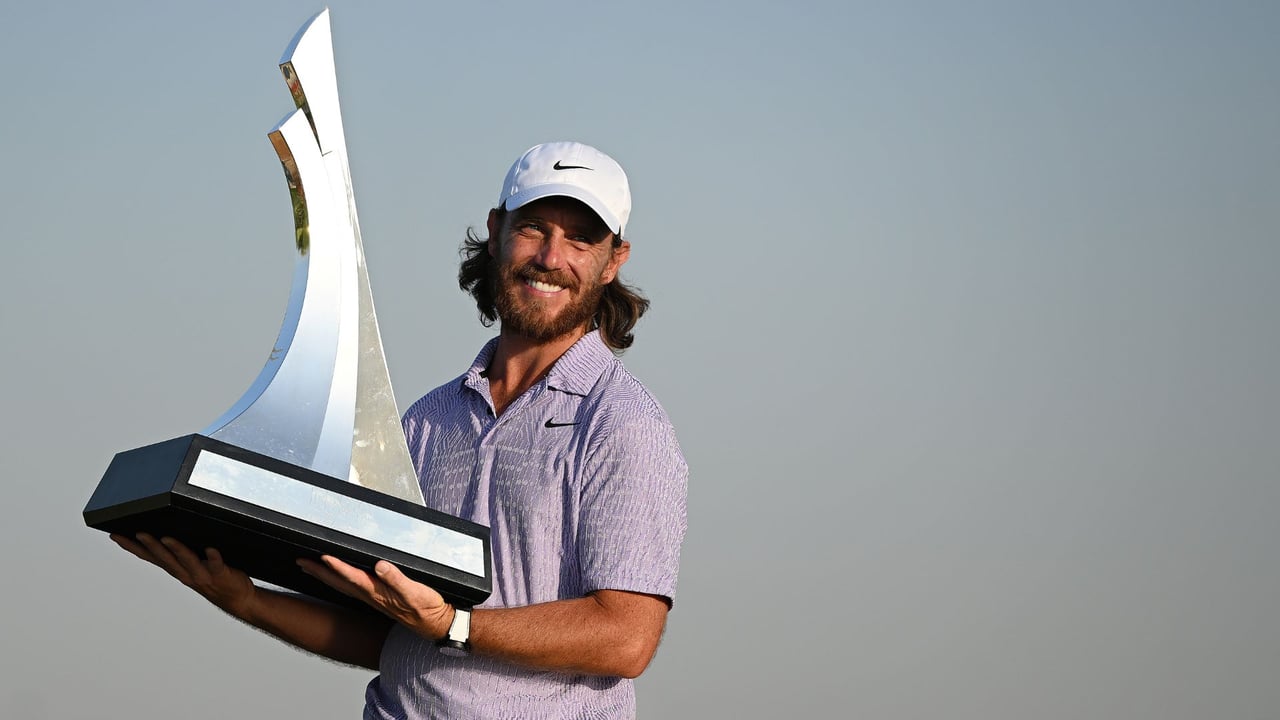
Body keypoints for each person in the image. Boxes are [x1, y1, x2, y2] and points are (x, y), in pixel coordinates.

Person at [112, 140, 689, 719]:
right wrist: (246, 599)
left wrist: (452, 623)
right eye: (534, 227)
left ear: (614, 260)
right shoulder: (425, 420)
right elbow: (389, 634)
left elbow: (626, 637)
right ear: (496, 231)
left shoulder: (623, 424)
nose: (550, 256)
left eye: (581, 239)